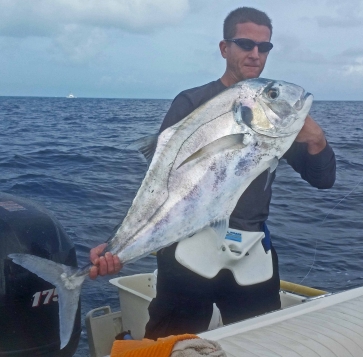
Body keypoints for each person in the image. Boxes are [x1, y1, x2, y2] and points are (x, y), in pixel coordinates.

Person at [89, 7, 336, 339]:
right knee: (168, 344)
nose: (255, 53)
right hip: (188, 245)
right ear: (225, 48)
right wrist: (117, 245)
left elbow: (323, 179)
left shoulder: (276, 119)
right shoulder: (191, 102)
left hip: (251, 250)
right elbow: (159, 184)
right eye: (245, 43)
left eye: (264, 47)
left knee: (258, 343)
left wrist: (318, 141)